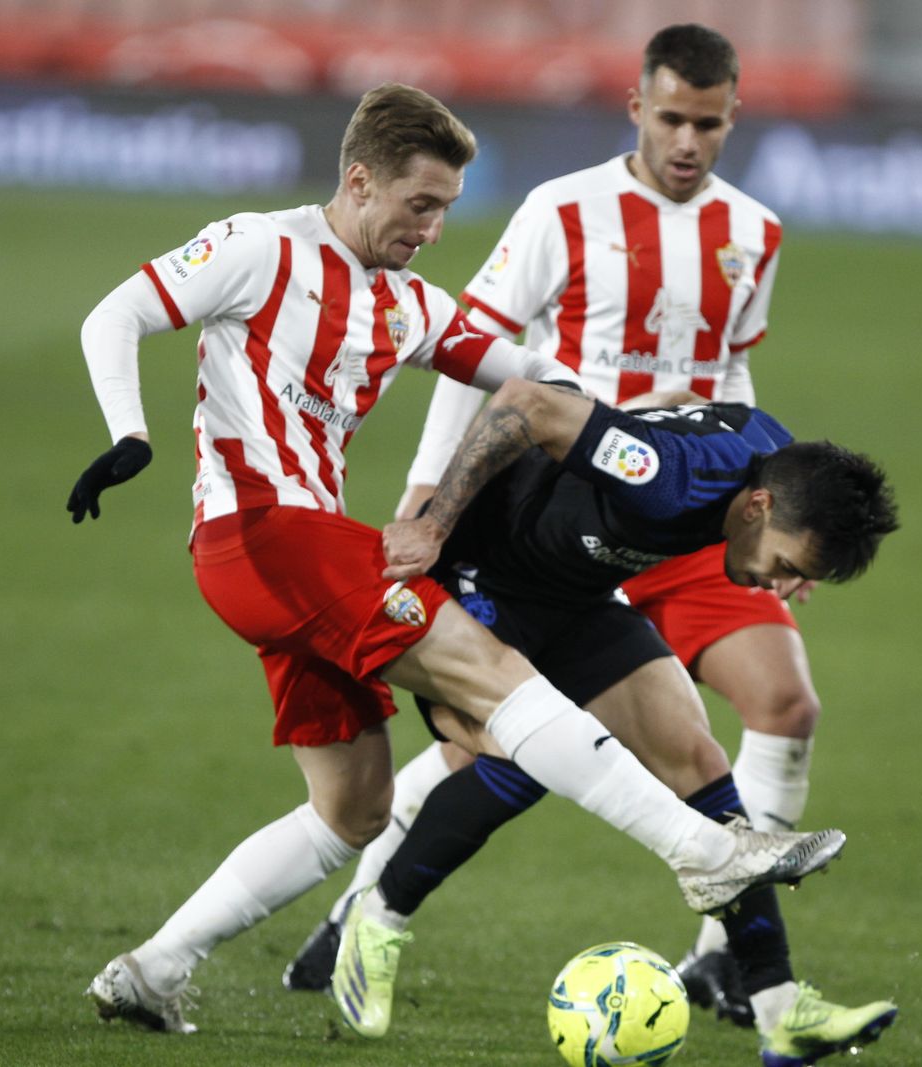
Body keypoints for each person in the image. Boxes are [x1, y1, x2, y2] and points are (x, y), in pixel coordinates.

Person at [68, 82, 845, 1037]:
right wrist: (130, 436)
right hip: (264, 531)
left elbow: (530, 380)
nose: (434, 229)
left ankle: (152, 968)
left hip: (302, 554)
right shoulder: (258, 247)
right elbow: (114, 316)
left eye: (444, 209)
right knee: (497, 672)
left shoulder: (408, 305)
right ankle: (698, 849)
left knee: (352, 809)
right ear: (360, 180)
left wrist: (637, 426)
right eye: (421, 205)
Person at [286, 23, 828, 1027]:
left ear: (731, 120)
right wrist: (421, 495)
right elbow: (479, 359)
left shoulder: (755, 232)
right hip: (561, 514)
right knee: (510, 747)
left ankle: (732, 966)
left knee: (779, 707)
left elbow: (730, 372)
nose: (686, 141)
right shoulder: (560, 210)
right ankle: (358, 908)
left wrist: (761, 484)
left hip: (692, 517)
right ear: (637, 108)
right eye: (669, 117)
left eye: (706, 124)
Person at [325, 379, 900, 1066]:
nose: (777, 585)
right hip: (481, 585)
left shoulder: (773, 459)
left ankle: (780, 1011)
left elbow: (687, 402)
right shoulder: (666, 475)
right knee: (530, 757)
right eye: (783, 564)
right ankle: (377, 916)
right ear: (758, 505)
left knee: (697, 756)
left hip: (576, 597)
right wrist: (433, 522)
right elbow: (527, 401)